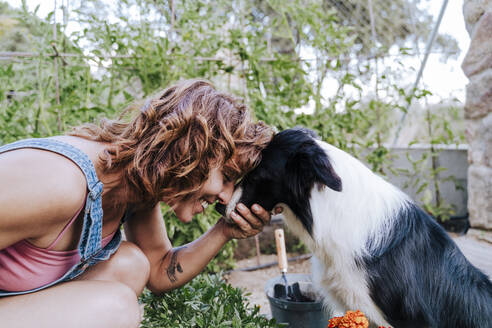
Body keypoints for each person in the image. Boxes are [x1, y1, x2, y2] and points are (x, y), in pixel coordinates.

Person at [0, 79, 274, 328]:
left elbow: (158, 271)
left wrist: (225, 230)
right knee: (115, 309)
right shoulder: (59, 182)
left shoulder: (135, 191)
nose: (226, 198)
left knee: (131, 265)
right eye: (226, 177)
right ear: (191, 150)